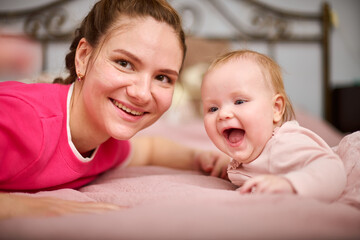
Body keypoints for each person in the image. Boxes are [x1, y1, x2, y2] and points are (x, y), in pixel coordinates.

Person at [0, 0, 229, 219]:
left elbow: (149, 149)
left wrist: (198, 158)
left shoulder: (103, 141)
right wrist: (16, 206)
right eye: (124, 63)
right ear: (83, 57)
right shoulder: (23, 119)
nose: (141, 93)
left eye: (162, 77)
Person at [200, 49, 347, 202]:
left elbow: (333, 170)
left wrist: (289, 184)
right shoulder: (253, 153)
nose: (223, 114)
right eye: (213, 108)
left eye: (239, 102)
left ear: (276, 108)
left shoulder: (283, 145)